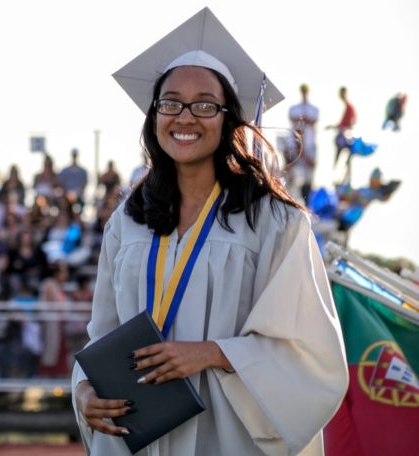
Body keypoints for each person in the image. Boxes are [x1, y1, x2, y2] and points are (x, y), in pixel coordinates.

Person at [71, 8, 348, 456]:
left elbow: (310, 355)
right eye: (171, 103)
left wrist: (213, 353)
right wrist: (84, 392)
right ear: (154, 115)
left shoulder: (275, 224)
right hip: (136, 435)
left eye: (204, 105)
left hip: (226, 438)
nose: (185, 117)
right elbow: (102, 336)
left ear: (228, 119)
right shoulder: (128, 221)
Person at [284, 83, 319, 204]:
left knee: (308, 178)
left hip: (308, 146)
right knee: (291, 177)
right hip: (296, 148)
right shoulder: (294, 108)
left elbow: (313, 120)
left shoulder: (314, 109)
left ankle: (307, 203)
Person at [327, 86, 357, 167]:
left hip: (345, 135)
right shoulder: (345, 106)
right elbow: (342, 123)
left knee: (341, 155)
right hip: (342, 133)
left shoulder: (349, 107)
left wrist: (346, 128)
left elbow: (352, 122)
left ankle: (338, 170)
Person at [57, 148, 89, 214]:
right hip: (66, 196)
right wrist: (67, 193)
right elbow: (60, 183)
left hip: (78, 197)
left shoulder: (83, 171)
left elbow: (84, 184)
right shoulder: (65, 170)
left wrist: (77, 193)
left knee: (78, 209)